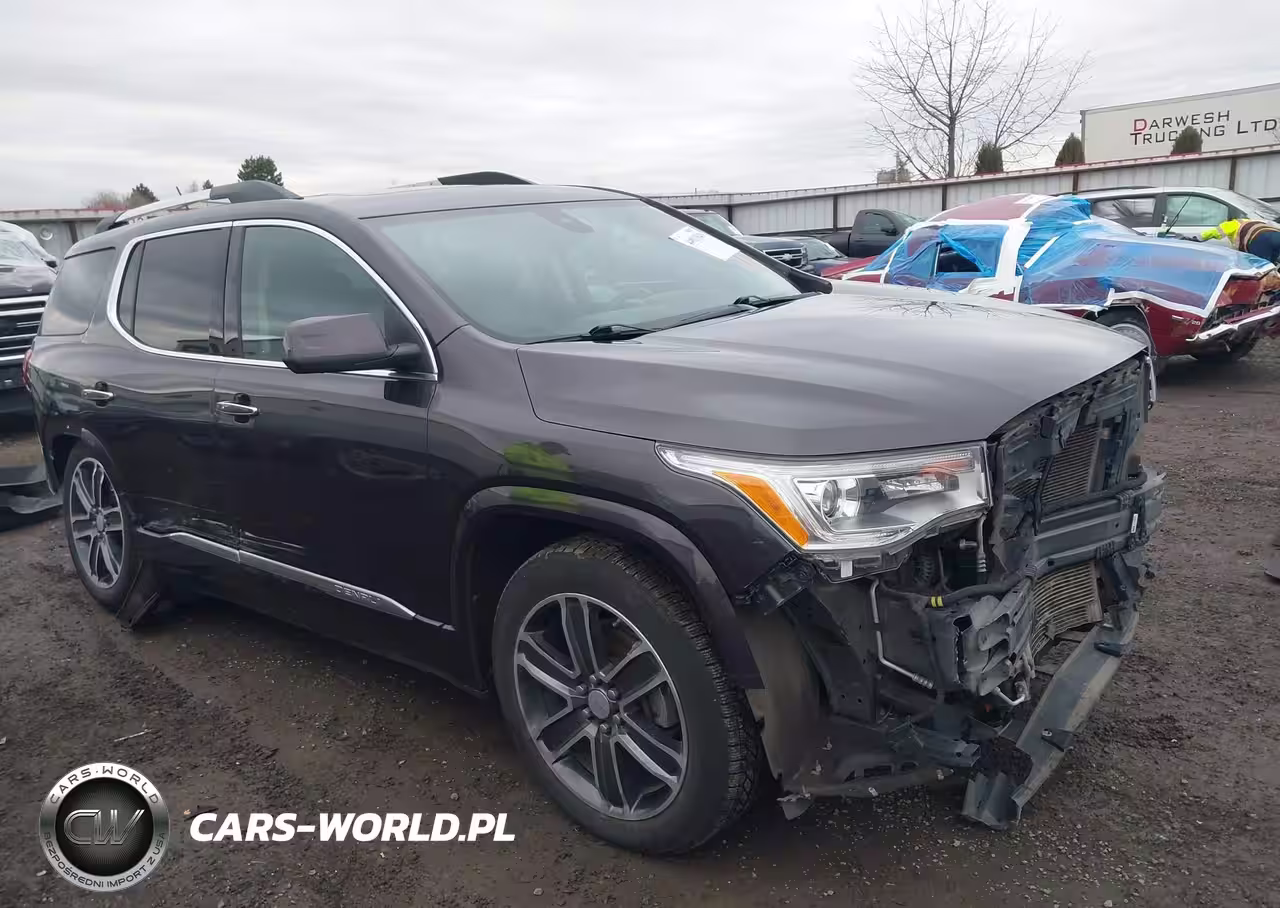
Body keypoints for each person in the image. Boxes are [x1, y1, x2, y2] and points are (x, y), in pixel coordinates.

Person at [1200, 219, 1280, 264]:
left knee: (1262, 268)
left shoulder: (1232, 224)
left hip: (1260, 240)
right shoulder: (1253, 220)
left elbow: (1215, 232)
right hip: (1276, 234)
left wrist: (1200, 238)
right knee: (1272, 265)